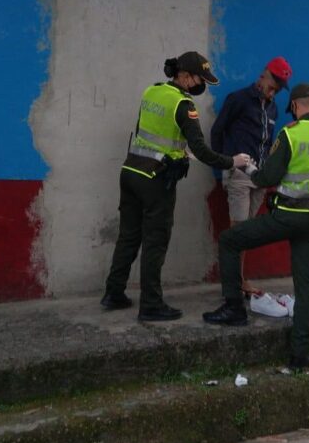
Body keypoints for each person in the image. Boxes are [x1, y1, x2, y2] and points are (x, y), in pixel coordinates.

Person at [202, 83, 309, 370]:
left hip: (287, 217)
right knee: (307, 288)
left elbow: (265, 178)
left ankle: (234, 308)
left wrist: (247, 167)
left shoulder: (291, 135)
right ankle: (301, 355)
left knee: (231, 240)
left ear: (295, 106)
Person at [100, 51, 250, 322]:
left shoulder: (152, 91)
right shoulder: (183, 104)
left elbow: (149, 133)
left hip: (131, 170)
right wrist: (233, 161)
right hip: (155, 181)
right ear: (185, 76)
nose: (200, 85)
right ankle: (151, 305)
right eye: (199, 79)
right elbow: (202, 150)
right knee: (156, 241)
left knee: (129, 236)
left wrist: (179, 154)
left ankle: (113, 292)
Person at [211, 57, 293, 295]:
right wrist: (222, 164)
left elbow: (268, 144)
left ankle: (239, 281)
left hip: (260, 176)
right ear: (263, 75)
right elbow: (218, 130)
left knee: (245, 233)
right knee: (237, 230)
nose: (274, 88)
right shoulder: (238, 100)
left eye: (279, 86)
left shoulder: (274, 107)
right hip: (238, 173)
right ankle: (235, 285)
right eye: (273, 82)